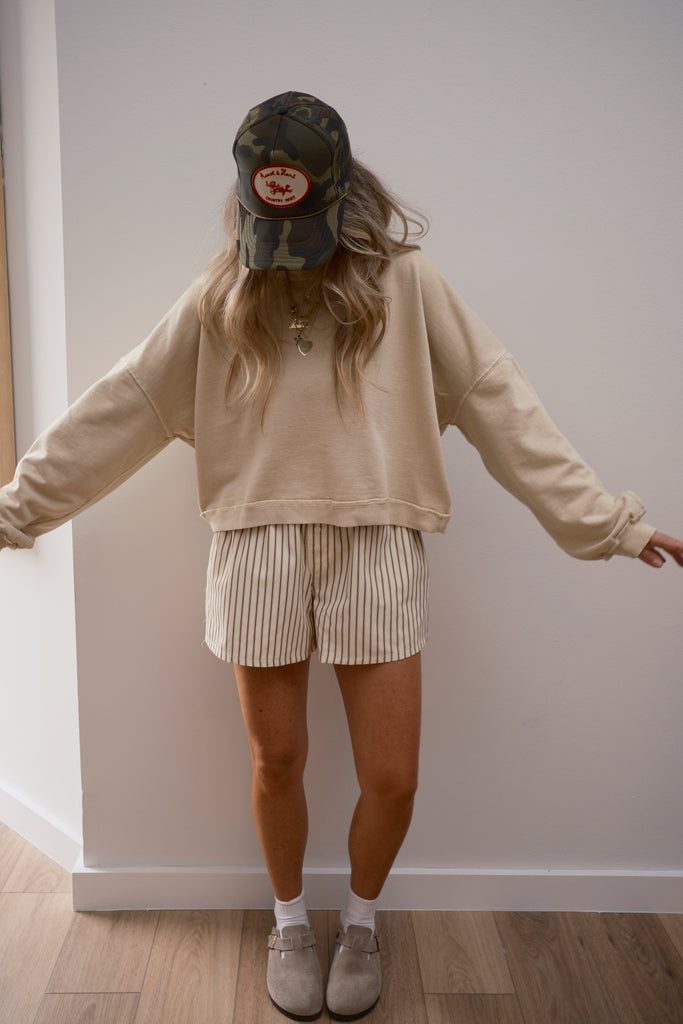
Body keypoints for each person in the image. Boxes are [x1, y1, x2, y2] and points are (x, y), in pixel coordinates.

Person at [1, 90, 681, 1021]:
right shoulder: (220, 296)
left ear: (341, 191)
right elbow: (120, 408)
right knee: (276, 761)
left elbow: (498, 402)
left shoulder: (408, 286)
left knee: (391, 777)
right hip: (256, 544)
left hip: (377, 541)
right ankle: (289, 924)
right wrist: (17, 510)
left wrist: (604, 523)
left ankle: (360, 923)